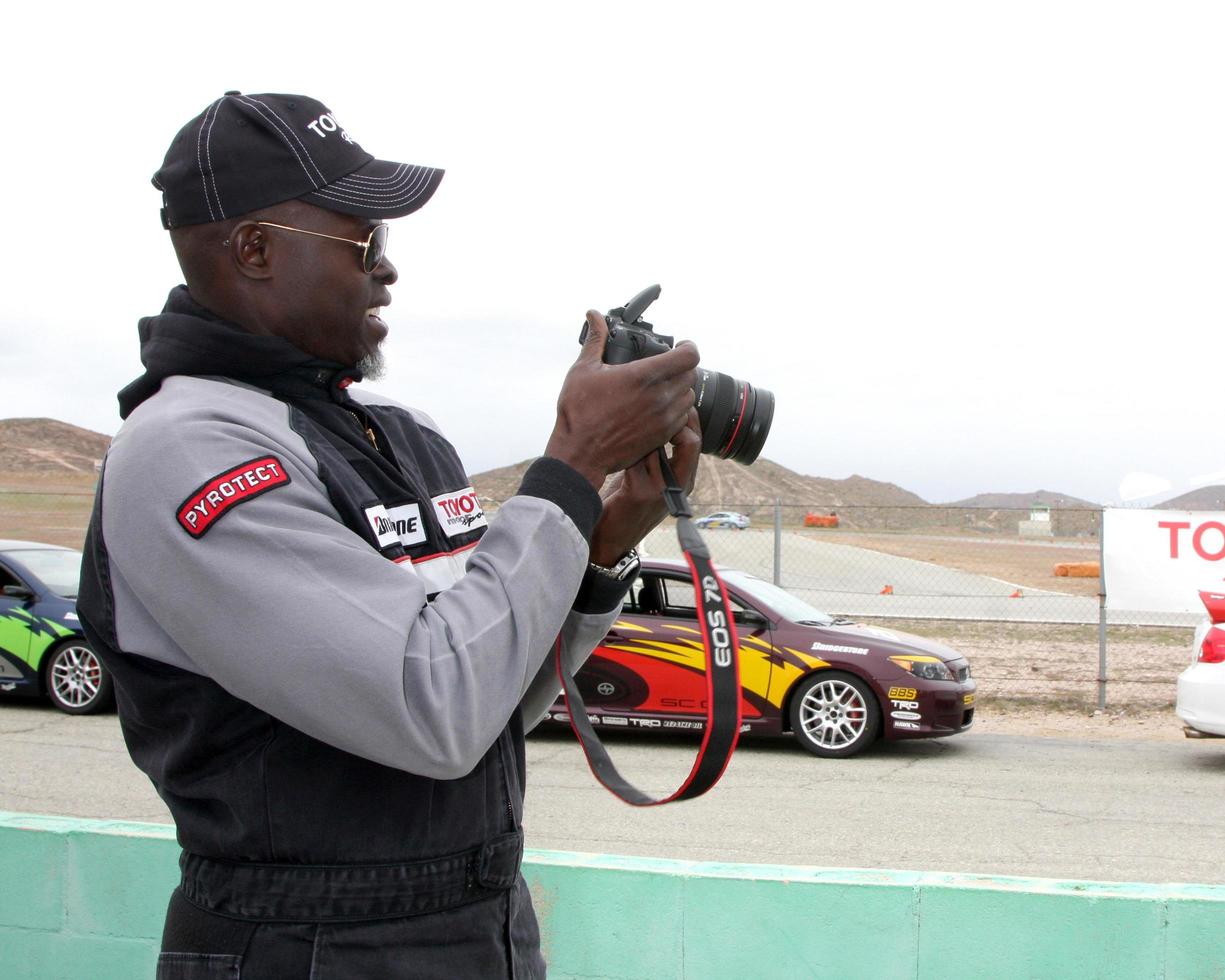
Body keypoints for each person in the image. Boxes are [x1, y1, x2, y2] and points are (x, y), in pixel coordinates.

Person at [77, 91, 700, 979]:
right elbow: (432, 706)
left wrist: (596, 549)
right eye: (363, 243)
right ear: (253, 250)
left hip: (476, 930)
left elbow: (487, 702)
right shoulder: (189, 449)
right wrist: (569, 463)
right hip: (306, 948)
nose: (389, 272)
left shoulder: (400, 436)